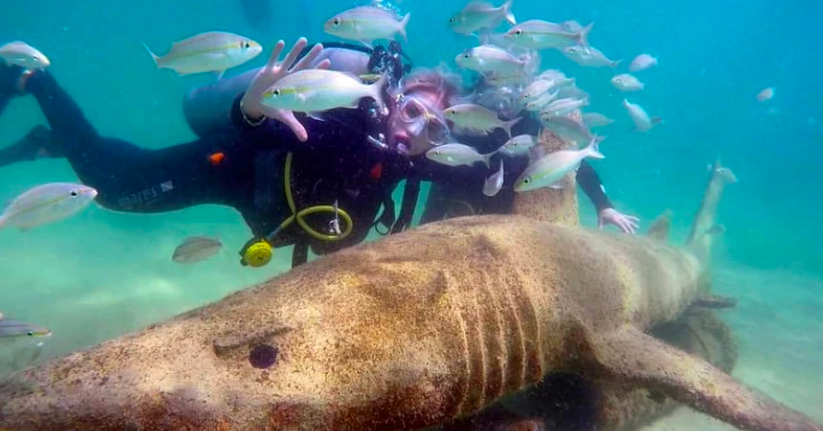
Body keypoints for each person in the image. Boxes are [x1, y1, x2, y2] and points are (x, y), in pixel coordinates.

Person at [0, 37, 632, 270]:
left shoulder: (420, 162)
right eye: (411, 109)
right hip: (225, 175)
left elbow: (530, 154)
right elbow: (262, 132)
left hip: (269, 222)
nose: (416, 129)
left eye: (434, 126)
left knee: (111, 173)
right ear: (387, 102)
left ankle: (46, 139)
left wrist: (598, 201)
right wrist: (251, 109)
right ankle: (36, 82)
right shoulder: (334, 126)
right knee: (109, 185)